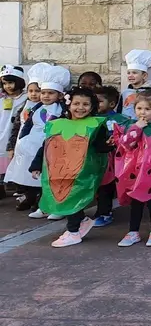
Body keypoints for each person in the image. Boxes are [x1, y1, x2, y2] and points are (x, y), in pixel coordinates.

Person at [31, 87, 109, 248]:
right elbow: (46, 146)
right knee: (64, 198)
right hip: (59, 171)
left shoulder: (95, 125)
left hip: (82, 172)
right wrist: (36, 165)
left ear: (92, 106)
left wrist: (110, 145)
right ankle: (81, 220)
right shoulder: (56, 125)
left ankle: (73, 232)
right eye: (76, 103)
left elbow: (100, 147)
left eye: (86, 104)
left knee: (72, 197)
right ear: (68, 104)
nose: (80, 108)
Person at [7, 63, 70, 217]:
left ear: (60, 95)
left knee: (52, 179)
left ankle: (54, 207)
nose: (45, 96)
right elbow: (27, 124)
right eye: (44, 92)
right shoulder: (36, 108)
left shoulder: (62, 109)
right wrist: (22, 140)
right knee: (34, 176)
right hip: (33, 147)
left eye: (50, 93)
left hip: (53, 147)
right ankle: (40, 204)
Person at [114, 93, 151, 247]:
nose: (143, 112)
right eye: (139, 108)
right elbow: (125, 144)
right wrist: (137, 128)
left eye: (147, 109)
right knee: (136, 203)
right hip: (135, 173)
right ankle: (133, 232)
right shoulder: (131, 126)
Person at [91, 85, 128, 228]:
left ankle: (105, 213)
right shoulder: (90, 118)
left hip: (113, 159)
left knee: (106, 187)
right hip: (95, 158)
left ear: (112, 104)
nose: (95, 105)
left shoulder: (121, 120)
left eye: (99, 101)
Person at [5, 71, 39, 206]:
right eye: (31, 91)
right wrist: (11, 146)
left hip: (37, 148)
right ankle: (27, 197)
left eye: (37, 91)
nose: (34, 94)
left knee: (36, 175)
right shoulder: (24, 106)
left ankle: (37, 200)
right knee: (24, 174)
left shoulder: (46, 108)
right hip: (23, 147)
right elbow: (16, 127)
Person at [0, 65, 27, 197]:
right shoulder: (2, 98)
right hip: (2, 131)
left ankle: (20, 187)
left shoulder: (25, 98)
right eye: (4, 83)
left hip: (15, 133)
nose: (8, 86)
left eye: (10, 82)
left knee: (17, 160)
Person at [120, 49, 151, 118]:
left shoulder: (150, 93)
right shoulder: (125, 92)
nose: (130, 75)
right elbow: (120, 109)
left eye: (134, 73)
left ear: (144, 75)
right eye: (128, 73)